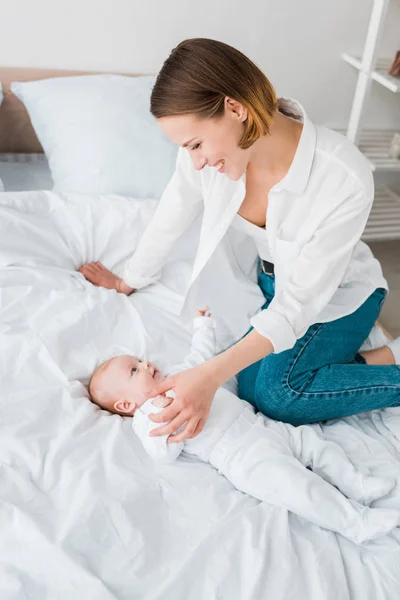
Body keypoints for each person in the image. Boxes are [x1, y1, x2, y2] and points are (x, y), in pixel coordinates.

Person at [79, 37, 400, 444]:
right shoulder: (208, 160)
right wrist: (130, 280)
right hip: (270, 282)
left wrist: (207, 378)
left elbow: (297, 305)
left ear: (235, 108)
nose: (196, 161)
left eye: (195, 144)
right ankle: (371, 359)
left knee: (278, 395)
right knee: (247, 384)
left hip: (339, 294)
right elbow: (172, 213)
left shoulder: (343, 177)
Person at [87, 306, 400, 545]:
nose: (146, 364)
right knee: (298, 488)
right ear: (126, 405)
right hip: (243, 456)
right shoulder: (147, 418)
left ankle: (357, 483)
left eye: (140, 360)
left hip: (262, 424)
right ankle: (356, 523)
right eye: (134, 370)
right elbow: (162, 455)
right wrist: (166, 419)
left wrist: (203, 326)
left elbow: (203, 357)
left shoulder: (178, 375)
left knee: (317, 446)